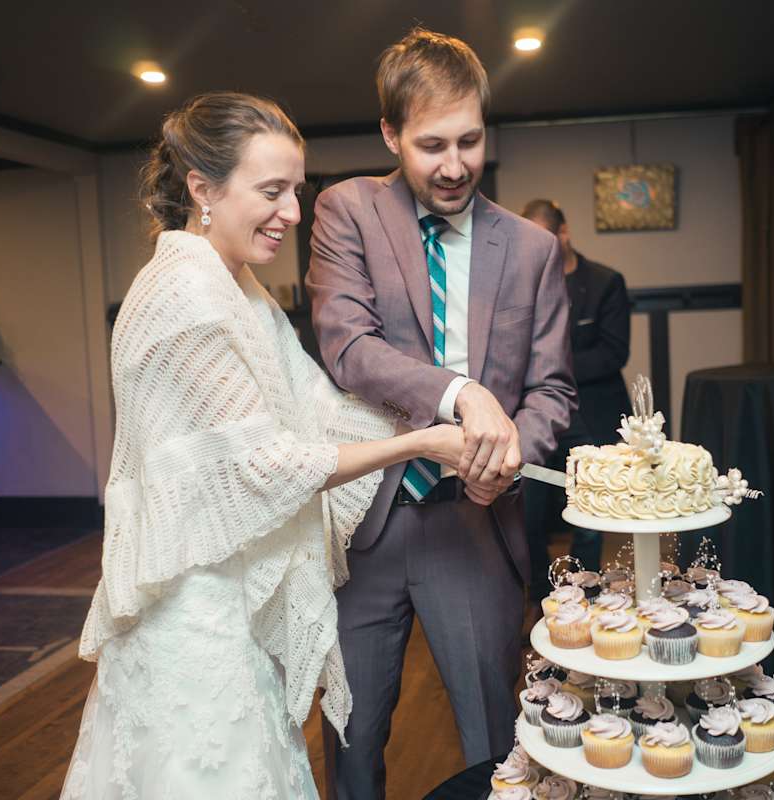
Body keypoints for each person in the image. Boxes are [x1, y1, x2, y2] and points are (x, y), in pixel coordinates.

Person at [59, 92, 465, 800]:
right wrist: (421, 442)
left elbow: (319, 410)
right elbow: (268, 465)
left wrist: (433, 409)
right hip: (194, 611)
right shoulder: (182, 295)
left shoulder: (235, 286)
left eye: (296, 192)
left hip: (231, 596)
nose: (293, 213)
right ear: (203, 189)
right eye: (272, 191)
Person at [307, 28, 577, 800]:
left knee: (497, 748)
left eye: (470, 141)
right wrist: (463, 393)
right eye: (431, 145)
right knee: (352, 739)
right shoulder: (346, 211)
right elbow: (348, 346)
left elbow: (553, 391)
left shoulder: (531, 249)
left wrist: (508, 455)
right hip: (366, 523)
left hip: (474, 524)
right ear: (390, 134)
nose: (455, 166)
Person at [520, 199, 631, 615]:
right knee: (528, 512)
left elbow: (613, 353)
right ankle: (540, 597)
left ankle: (583, 595)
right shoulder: (520, 286)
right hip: (535, 415)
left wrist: (550, 368)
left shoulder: (605, 282)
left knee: (589, 513)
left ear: (563, 234)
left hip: (590, 411)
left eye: (543, 240)